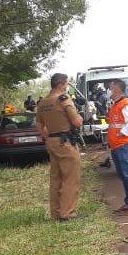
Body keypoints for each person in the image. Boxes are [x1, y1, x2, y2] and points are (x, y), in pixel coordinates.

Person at [35, 73, 85, 221]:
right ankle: (68, 213)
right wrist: (80, 117)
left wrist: (47, 137)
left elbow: (38, 124)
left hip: (51, 141)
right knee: (70, 178)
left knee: (56, 179)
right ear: (60, 85)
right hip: (65, 142)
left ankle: (56, 213)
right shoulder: (63, 99)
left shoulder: (43, 102)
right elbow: (76, 122)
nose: (66, 87)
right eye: (66, 84)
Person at [107, 78, 128, 215]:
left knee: (127, 175)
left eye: (110, 88)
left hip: (124, 144)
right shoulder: (115, 104)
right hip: (117, 145)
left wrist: (121, 134)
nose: (108, 90)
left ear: (116, 89)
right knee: (123, 174)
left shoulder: (125, 104)